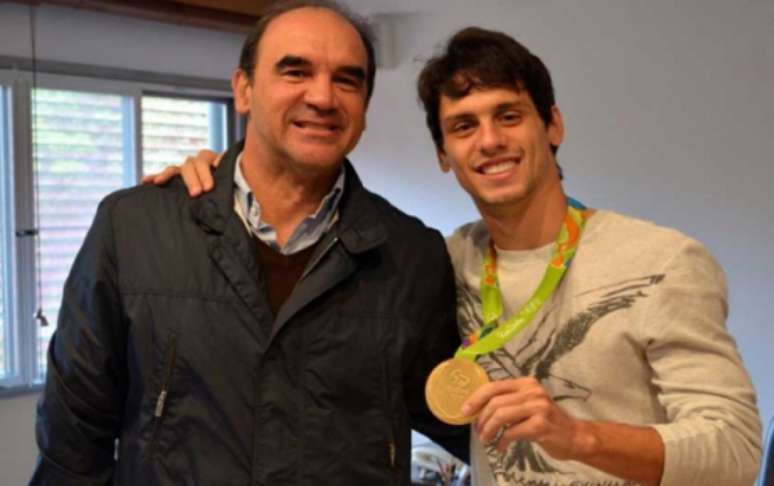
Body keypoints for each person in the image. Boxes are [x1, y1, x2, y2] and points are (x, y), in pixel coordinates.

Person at [159, 26, 763, 486]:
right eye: (463, 126)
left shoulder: (661, 260)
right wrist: (222, 181)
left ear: (552, 125)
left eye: (509, 115)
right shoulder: (439, 262)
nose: (491, 140)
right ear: (444, 155)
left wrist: (577, 436)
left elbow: (736, 450)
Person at [30, 2, 468, 485]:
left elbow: (459, 413)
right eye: (295, 71)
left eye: (347, 79)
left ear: (364, 107)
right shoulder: (133, 227)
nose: (322, 96)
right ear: (243, 89)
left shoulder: (411, 255)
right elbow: (73, 434)